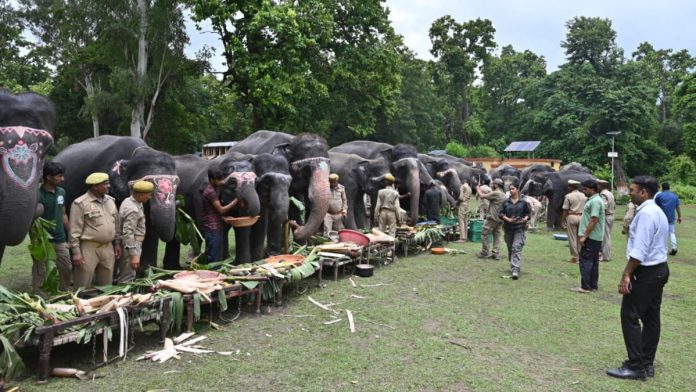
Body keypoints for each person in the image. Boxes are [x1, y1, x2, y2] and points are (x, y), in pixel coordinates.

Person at [606, 176, 669, 381]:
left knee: (630, 315)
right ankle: (646, 363)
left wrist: (626, 274)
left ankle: (635, 366)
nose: (629, 193)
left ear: (644, 192)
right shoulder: (656, 211)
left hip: (646, 271)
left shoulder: (646, 214)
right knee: (651, 318)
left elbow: (639, 250)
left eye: (632, 190)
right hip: (659, 269)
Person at [69, 172, 121, 289]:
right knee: (83, 284)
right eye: (105, 184)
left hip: (108, 248)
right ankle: (81, 304)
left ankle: (103, 306)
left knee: (107, 286)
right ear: (95, 186)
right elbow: (74, 230)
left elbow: (116, 223)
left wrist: (117, 243)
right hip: (88, 248)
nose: (109, 186)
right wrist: (76, 252)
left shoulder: (110, 201)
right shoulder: (80, 203)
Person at [34, 161, 72, 293]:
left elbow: (63, 213)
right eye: (59, 176)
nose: (62, 179)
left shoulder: (61, 192)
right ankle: (41, 295)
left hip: (60, 238)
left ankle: (64, 292)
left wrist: (70, 232)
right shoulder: (37, 195)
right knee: (41, 270)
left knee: (66, 267)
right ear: (48, 177)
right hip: (43, 241)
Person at [116, 181, 154, 284]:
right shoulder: (132, 209)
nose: (149, 197)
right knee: (128, 276)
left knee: (125, 273)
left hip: (131, 244)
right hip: (132, 245)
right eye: (148, 195)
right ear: (141, 194)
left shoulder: (130, 201)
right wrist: (134, 255)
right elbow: (128, 233)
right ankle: (124, 297)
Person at [571, 179, 605, 293]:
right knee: (594, 261)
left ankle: (585, 286)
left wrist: (584, 236)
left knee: (585, 260)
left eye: (585, 189)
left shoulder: (595, 201)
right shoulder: (594, 200)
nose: (583, 191)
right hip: (595, 236)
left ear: (592, 189)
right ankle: (592, 285)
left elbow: (593, 220)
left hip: (591, 236)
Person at [201, 168, 241, 263]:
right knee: (214, 256)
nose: (221, 182)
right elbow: (221, 210)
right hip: (212, 228)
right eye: (218, 180)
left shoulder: (211, 189)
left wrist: (224, 218)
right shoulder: (211, 193)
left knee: (213, 253)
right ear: (211, 180)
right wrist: (236, 200)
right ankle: (214, 273)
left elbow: (212, 211)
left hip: (212, 226)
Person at [499, 181, 531, 280]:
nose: (511, 190)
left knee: (516, 247)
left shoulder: (523, 202)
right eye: (510, 189)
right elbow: (500, 214)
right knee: (510, 248)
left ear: (517, 190)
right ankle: (514, 263)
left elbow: (528, 213)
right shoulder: (505, 202)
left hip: (519, 228)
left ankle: (515, 269)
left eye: (513, 188)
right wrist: (508, 219)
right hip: (508, 228)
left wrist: (525, 219)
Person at [476, 178, 505, 260]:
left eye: (493, 184)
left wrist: (478, 189)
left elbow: (482, 196)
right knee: (497, 236)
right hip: (500, 218)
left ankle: (484, 252)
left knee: (484, 234)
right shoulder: (503, 194)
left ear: (496, 185)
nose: (492, 185)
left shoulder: (496, 193)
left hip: (492, 218)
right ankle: (496, 253)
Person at [561, 180, 586, 264]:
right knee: (580, 237)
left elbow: (565, 209)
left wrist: (563, 219)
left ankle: (575, 257)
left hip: (572, 216)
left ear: (570, 187)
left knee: (572, 238)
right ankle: (580, 255)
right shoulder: (584, 195)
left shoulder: (568, 196)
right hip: (582, 216)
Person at [654, 182, 682, 256]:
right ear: (669, 187)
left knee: (661, 233)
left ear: (662, 188)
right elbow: (678, 207)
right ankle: (674, 247)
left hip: (661, 218)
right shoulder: (675, 196)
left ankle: (662, 249)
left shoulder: (659, 196)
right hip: (671, 218)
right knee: (672, 233)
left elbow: (655, 207)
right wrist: (680, 216)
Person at [598, 179, 616, 261]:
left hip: (606, 216)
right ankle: (606, 255)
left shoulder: (603, 194)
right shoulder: (610, 193)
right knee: (607, 236)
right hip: (611, 215)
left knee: (605, 237)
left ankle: (605, 256)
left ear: (601, 185)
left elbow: (603, 207)